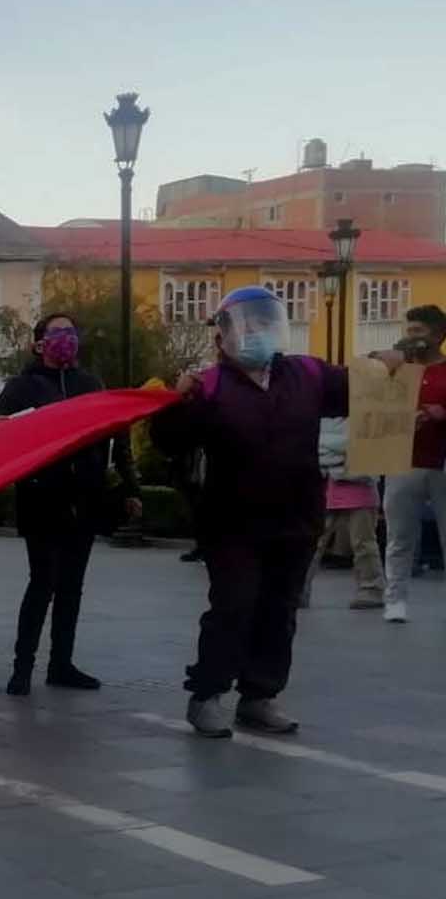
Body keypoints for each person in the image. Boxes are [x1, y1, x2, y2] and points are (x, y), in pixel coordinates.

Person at [152, 286, 406, 737]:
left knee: (279, 609)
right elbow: (168, 441)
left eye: (266, 322)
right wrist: (178, 402)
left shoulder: (307, 374)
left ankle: (259, 695)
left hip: (296, 515)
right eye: (247, 324)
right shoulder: (209, 386)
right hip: (232, 521)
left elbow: (360, 389)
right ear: (223, 335)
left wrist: (385, 364)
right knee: (232, 606)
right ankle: (207, 695)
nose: (258, 332)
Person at [0, 314, 140, 696]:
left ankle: (61, 663)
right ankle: (22, 667)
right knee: (43, 581)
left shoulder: (90, 385)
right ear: (39, 343)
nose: (66, 339)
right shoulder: (21, 387)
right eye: (57, 333)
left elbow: (116, 434)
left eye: (71, 332)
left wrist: (129, 486)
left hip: (85, 497)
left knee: (72, 586)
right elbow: (0, 438)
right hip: (41, 497)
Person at [382, 304, 446, 624]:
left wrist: (440, 414)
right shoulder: (397, 370)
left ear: (437, 335)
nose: (411, 337)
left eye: (418, 331)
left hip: (441, 465)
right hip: (402, 462)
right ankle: (395, 600)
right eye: (408, 331)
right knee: (399, 536)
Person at [309, 416, 383, 611]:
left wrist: (330, 451)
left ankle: (371, 589)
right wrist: (345, 451)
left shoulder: (366, 413)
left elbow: (369, 447)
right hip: (328, 485)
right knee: (313, 542)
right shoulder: (322, 410)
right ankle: (299, 589)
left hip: (360, 484)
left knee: (364, 543)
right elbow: (315, 444)